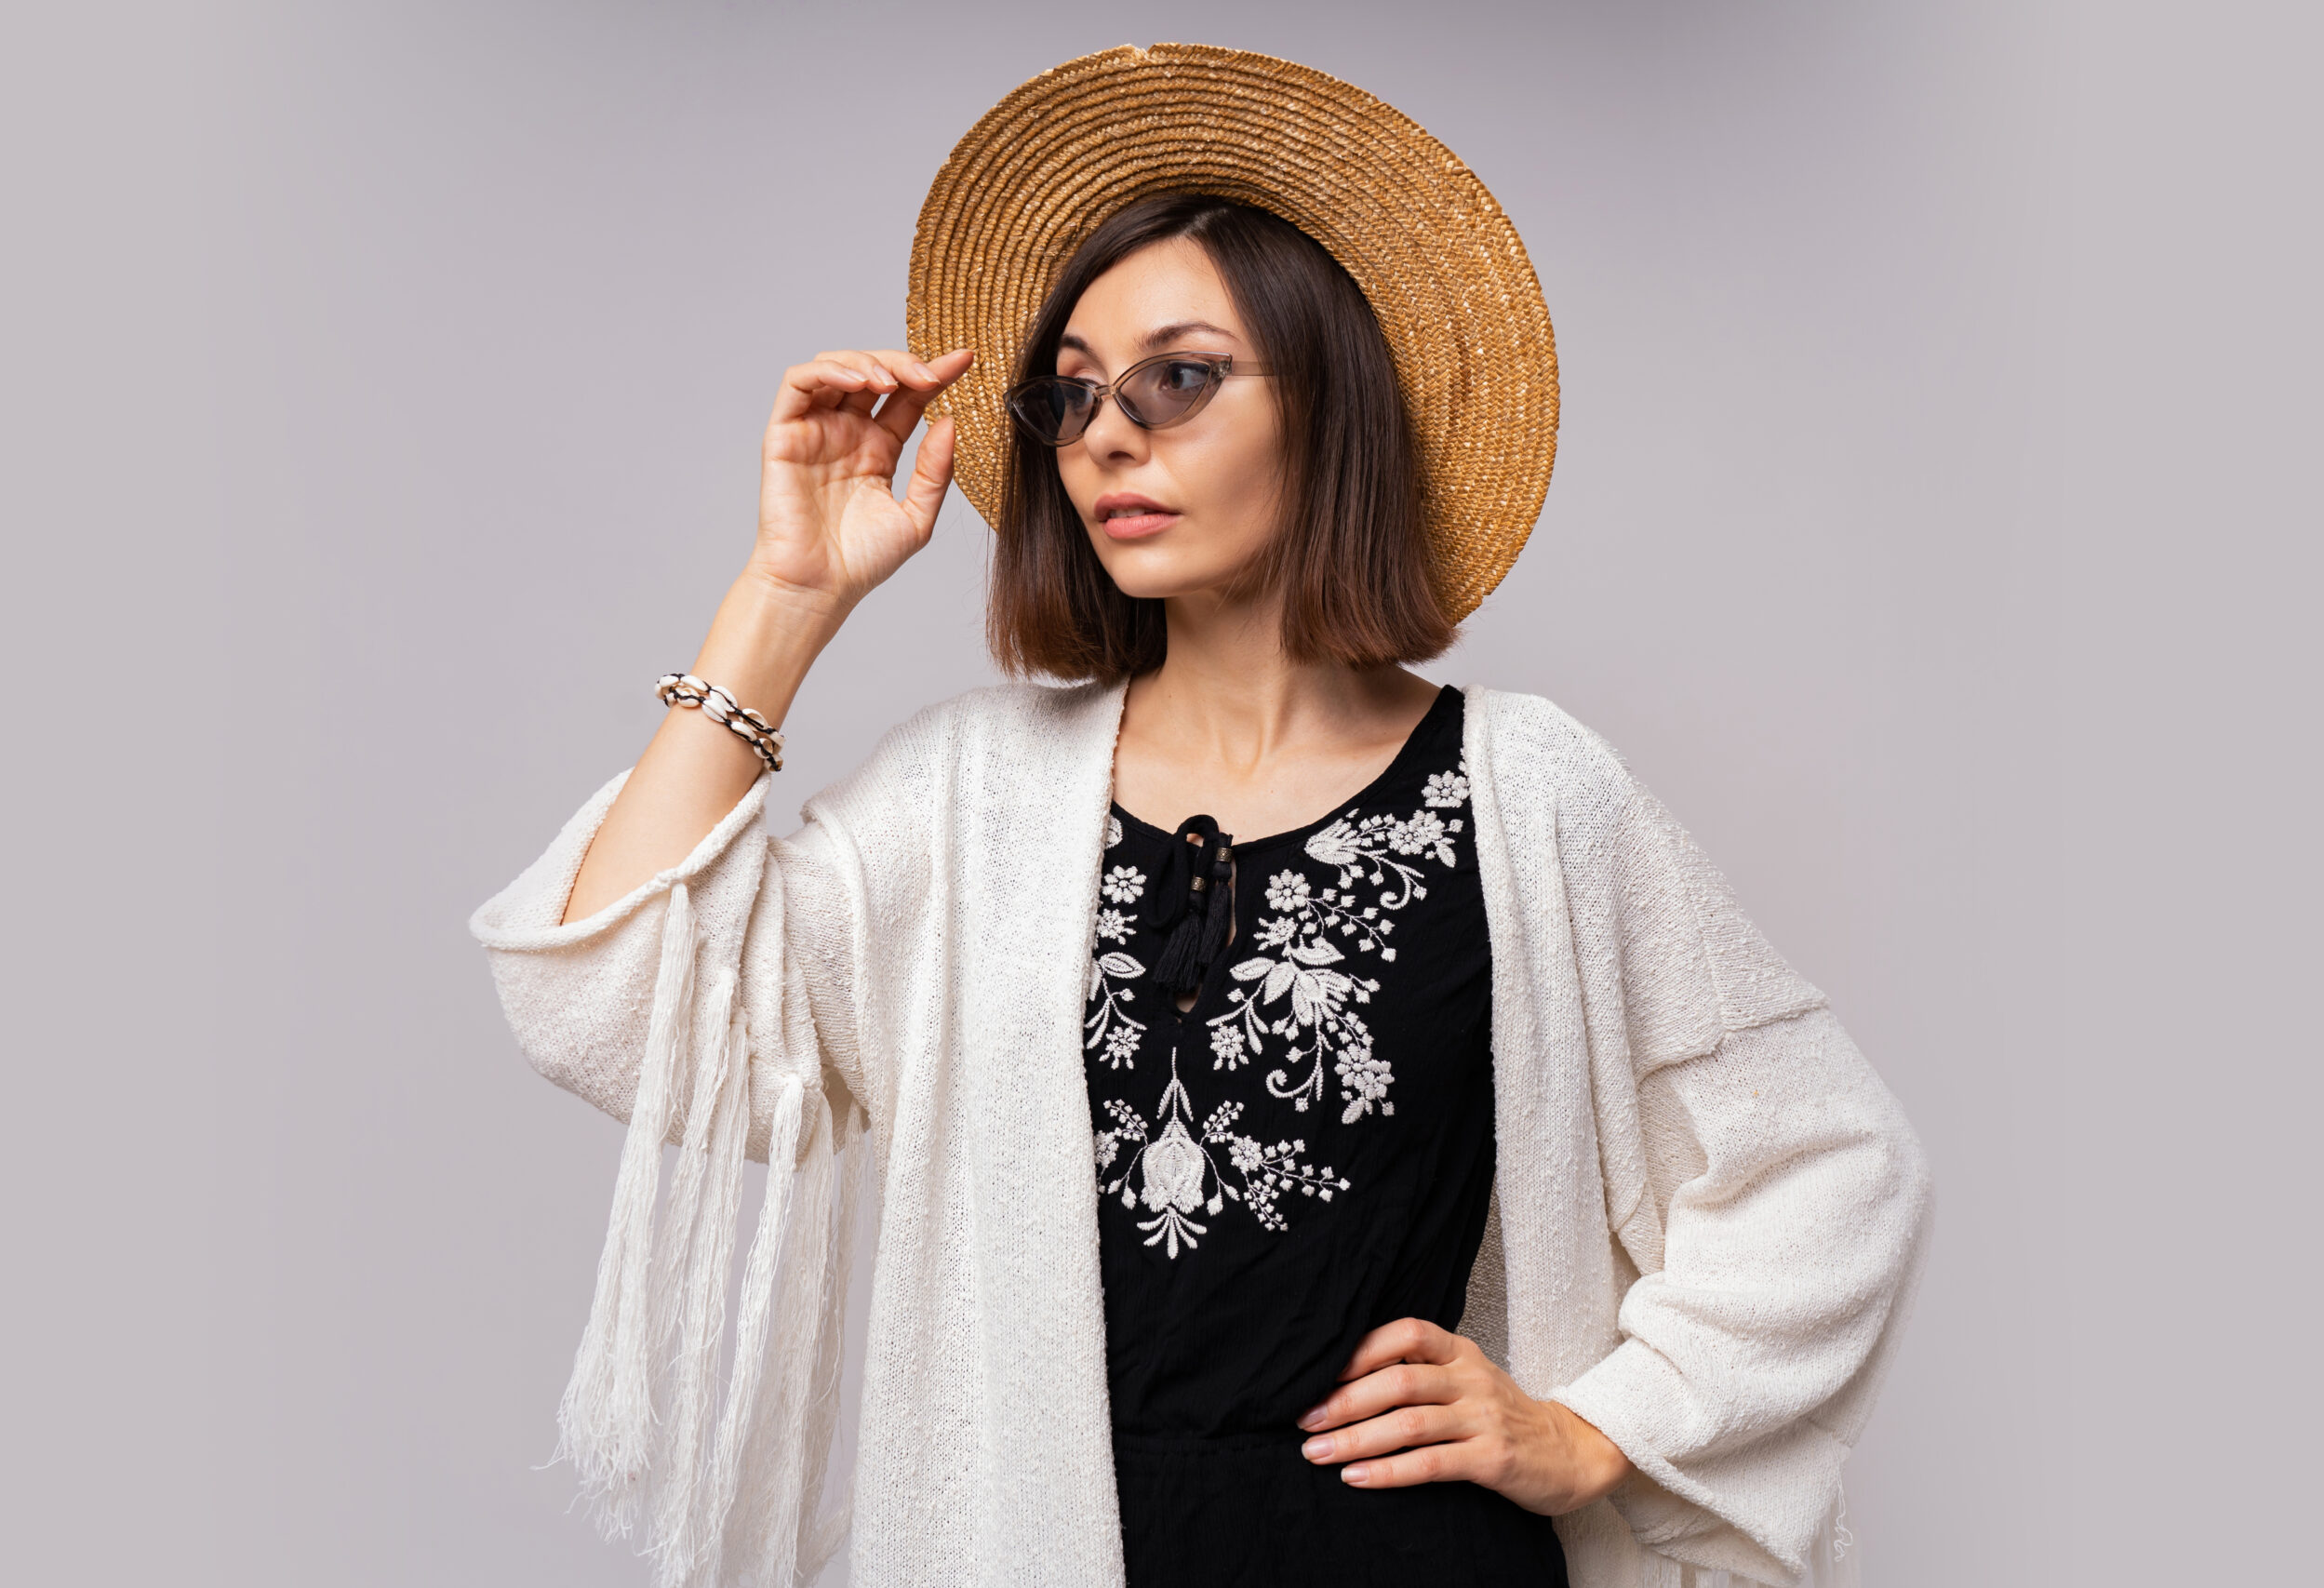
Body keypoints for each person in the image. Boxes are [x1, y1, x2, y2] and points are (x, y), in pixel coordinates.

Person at [471, 44, 1930, 1588]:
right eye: (1075, 393)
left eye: (1177, 377)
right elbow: (613, 1002)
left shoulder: (1531, 791)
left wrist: (1601, 1424)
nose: (1106, 435)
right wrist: (784, 597)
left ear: (1332, 404)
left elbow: (1828, 1161)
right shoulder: (973, 802)